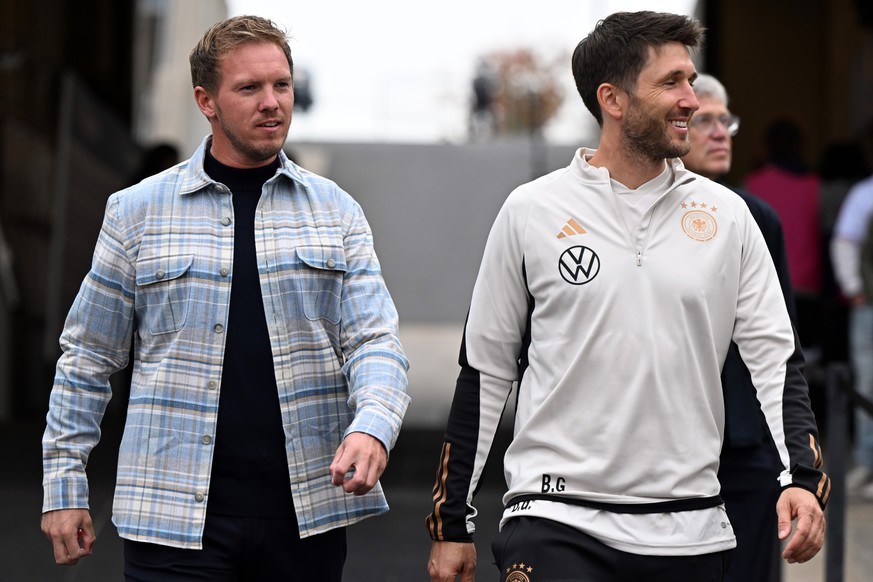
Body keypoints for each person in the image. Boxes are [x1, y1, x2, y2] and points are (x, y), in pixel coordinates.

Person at [425, 11, 827, 582]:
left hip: (689, 529)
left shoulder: (729, 216)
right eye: (672, 83)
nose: (691, 99)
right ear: (612, 99)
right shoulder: (530, 211)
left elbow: (776, 359)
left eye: (691, 79)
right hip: (554, 518)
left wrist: (803, 480)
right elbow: (485, 372)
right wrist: (450, 522)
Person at [41, 15, 409, 581]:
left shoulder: (336, 211)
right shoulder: (136, 212)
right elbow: (88, 357)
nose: (272, 103)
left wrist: (372, 424)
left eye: (281, 85)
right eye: (249, 88)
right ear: (205, 101)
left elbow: (374, 340)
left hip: (304, 515)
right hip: (171, 517)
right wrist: (63, 483)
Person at [680, 73, 791, 582]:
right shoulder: (636, 220)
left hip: (747, 443)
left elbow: (779, 345)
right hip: (672, 445)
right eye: (705, 119)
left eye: (726, 120)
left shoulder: (758, 218)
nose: (721, 131)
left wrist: (790, 458)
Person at [744, 118, 823, 354]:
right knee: (807, 358)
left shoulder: (751, 185)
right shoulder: (816, 186)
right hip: (810, 285)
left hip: (765, 286)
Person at [831, 160, 873, 501]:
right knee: (867, 385)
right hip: (870, 307)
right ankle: (867, 461)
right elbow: (845, 242)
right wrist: (855, 289)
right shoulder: (864, 194)